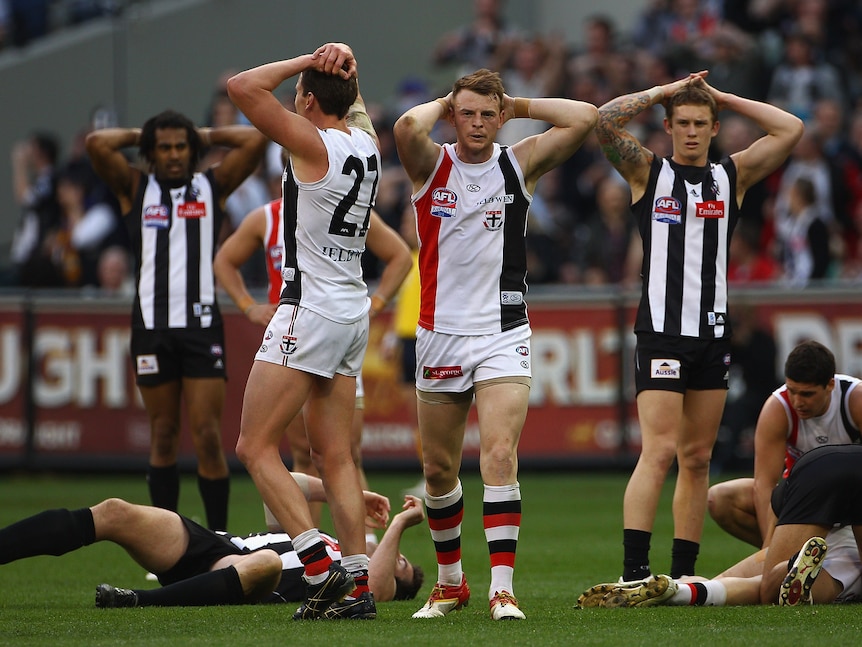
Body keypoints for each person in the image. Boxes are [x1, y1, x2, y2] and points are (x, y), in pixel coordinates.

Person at [393, 68, 598, 620]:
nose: (478, 124)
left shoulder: (518, 161)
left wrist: (516, 103)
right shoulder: (430, 164)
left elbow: (584, 116)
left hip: (504, 332)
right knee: (438, 469)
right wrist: (447, 102)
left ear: (500, 116)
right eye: (468, 113)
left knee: (500, 454)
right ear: (453, 113)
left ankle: (501, 588)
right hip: (438, 334)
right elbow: (406, 125)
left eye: (488, 114)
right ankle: (451, 582)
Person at [595, 71, 804, 582]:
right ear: (667, 126)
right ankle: (634, 572)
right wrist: (662, 91)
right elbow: (603, 121)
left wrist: (727, 97)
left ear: (714, 128)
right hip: (662, 333)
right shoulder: (648, 172)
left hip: (712, 335)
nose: (691, 132)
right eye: (682, 122)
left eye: (701, 124)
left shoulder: (731, 177)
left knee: (696, 457)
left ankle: (684, 574)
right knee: (660, 449)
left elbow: (791, 129)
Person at [226, 42, 382, 620]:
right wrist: (345, 71)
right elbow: (354, 106)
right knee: (335, 456)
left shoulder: (311, 142)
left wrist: (303, 62)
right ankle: (361, 586)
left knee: (254, 446)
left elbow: (242, 87)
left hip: (308, 307)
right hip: (350, 312)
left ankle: (320, 567)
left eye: (300, 95)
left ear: (309, 100)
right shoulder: (366, 144)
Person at [85, 110, 268, 531]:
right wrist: (142, 131)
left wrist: (201, 133)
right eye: (163, 147)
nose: (172, 155)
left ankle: (220, 541)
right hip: (150, 328)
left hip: (202, 327)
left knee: (207, 436)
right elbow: (97, 144)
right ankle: (166, 545)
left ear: (192, 149)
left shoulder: (212, 186)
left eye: (181, 146)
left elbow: (255, 140)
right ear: (151, 151)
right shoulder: (135, 187)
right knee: (163, 434)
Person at [213, 196, 412, 526]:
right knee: (303, 453)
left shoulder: (344, 202)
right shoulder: (266, 216)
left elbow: (400, 256)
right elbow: (224, 260)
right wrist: (249, 305)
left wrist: (373, 305)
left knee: (347, 452)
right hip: (296, 337)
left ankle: (359, 549)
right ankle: (311, 548)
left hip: (337, 333)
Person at [0, 473, 425, 607]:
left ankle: (134, 601)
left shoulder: (359, 584)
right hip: (214, 544)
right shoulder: (328, 541)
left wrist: (399, 525)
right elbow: (283, 487)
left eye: (400, 561)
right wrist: (349, 496)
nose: (393, 556)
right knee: (114, 511)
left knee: (267, 564)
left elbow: (384, 584)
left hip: (246, 577)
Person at [577, 444, 862, 608]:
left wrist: (769, 543)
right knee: (768, 590)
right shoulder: (852, 398)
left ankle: (677, 589)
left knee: (723, 581)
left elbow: (765, 485)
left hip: (809, 472)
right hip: (839, 525)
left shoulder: (780, 402)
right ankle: (794, 574)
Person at [708, 339, 862, 548]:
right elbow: (764, 485)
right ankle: (790, 555)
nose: (797, 401)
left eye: (807, 394)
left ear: (830, 385)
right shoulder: (777, 408)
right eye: (792, 390)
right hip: (800, 503)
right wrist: (769, 548)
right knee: (720, 499)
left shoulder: (855, 400)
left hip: (849, 505)